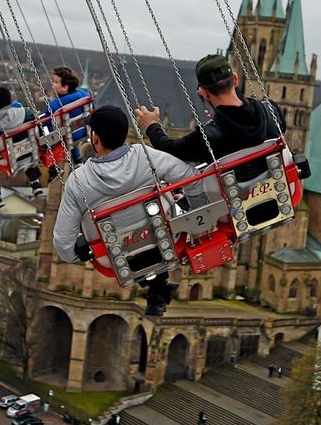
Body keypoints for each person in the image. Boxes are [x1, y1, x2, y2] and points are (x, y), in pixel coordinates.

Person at [52, 105, 204, 316]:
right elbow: (193, 179)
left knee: (133, 241)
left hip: (112, 256)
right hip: (165, 237)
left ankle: (158, 290)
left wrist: (84, 249)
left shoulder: (77, 181)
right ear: (125, 134)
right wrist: (191, 209)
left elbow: (64, 247)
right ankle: (159, 290)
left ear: (94, 138)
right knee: (152, 229)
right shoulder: (147, 156)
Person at [135, 54, 285, 181]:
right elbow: (244, 121)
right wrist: (223, 116)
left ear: (204, 93)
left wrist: (151, 125)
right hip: (275, 190)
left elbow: (168, 148)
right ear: (235, 80)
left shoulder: (208, 137)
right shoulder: (271, 111)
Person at [0, 86, 43, 210]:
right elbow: (38, 125)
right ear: (10, 99)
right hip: (29, 153)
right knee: (23, 148)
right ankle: (35, 182)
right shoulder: (26, 113)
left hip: (10, 160)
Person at [43, 66, 91, 166]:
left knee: (45, 130)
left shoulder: (54, 105)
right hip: (84, 131)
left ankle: (52, 168)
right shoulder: (84, 95)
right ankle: (78, 160)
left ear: (65, 87)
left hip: (66, 138)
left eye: (56, 82)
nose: (53, 84)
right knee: (70, 131)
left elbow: (44, 121)